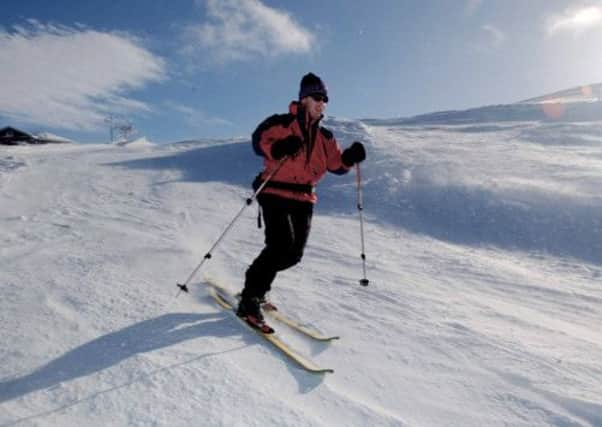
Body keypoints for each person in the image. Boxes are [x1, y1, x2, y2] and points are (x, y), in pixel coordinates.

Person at [237, 72, 366, 327]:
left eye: (325, 99)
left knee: (293, 255)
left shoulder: (325, 137)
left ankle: (259, 287)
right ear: (303, 98)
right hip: (273, 189)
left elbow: (336, 165)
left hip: (304, 196)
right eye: (317, 97)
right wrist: (279, 147)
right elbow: (258, 141)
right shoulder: (281, 123)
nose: (322, 103)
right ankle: (250, 297)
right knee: (279, 244)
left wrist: (350, 158)